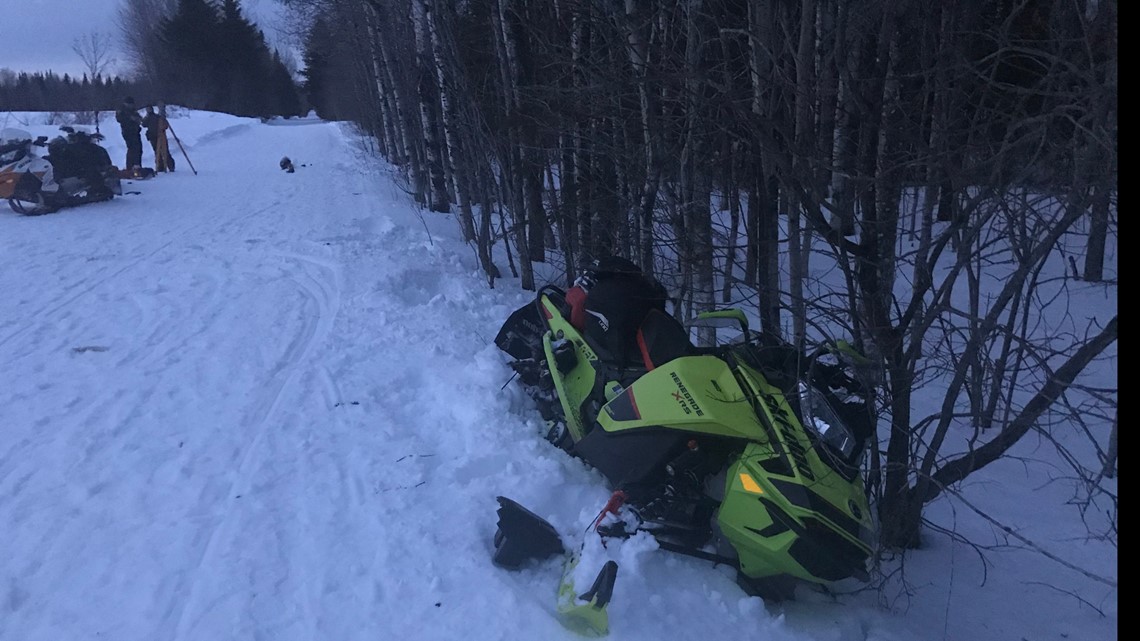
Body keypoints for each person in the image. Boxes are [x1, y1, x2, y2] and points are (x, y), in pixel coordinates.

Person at [142, 103, 175, 172]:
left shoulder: (157, 117)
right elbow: (143, 124)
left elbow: (165, 125)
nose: (148, 110)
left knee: (165, 151)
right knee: (157, 152)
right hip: (152, 137)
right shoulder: (147, 118)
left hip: (160, 136)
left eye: (149, 109)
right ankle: (160, 167)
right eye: (147, 109)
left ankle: (170, 166)